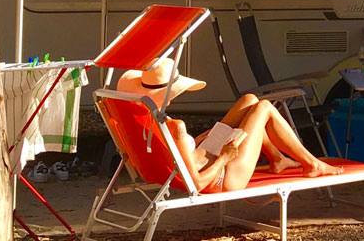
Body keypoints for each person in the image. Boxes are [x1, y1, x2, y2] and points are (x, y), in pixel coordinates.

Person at [117, 58, 342, 193]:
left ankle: (277, 159)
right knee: (263, 107)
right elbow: (197, 183)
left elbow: (175, 156)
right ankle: (313, 164)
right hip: (223, 177)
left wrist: (196, 143)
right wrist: (225, 156)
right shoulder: (176, 127)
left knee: (249, 101)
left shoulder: (148, 120)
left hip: (205, 154)